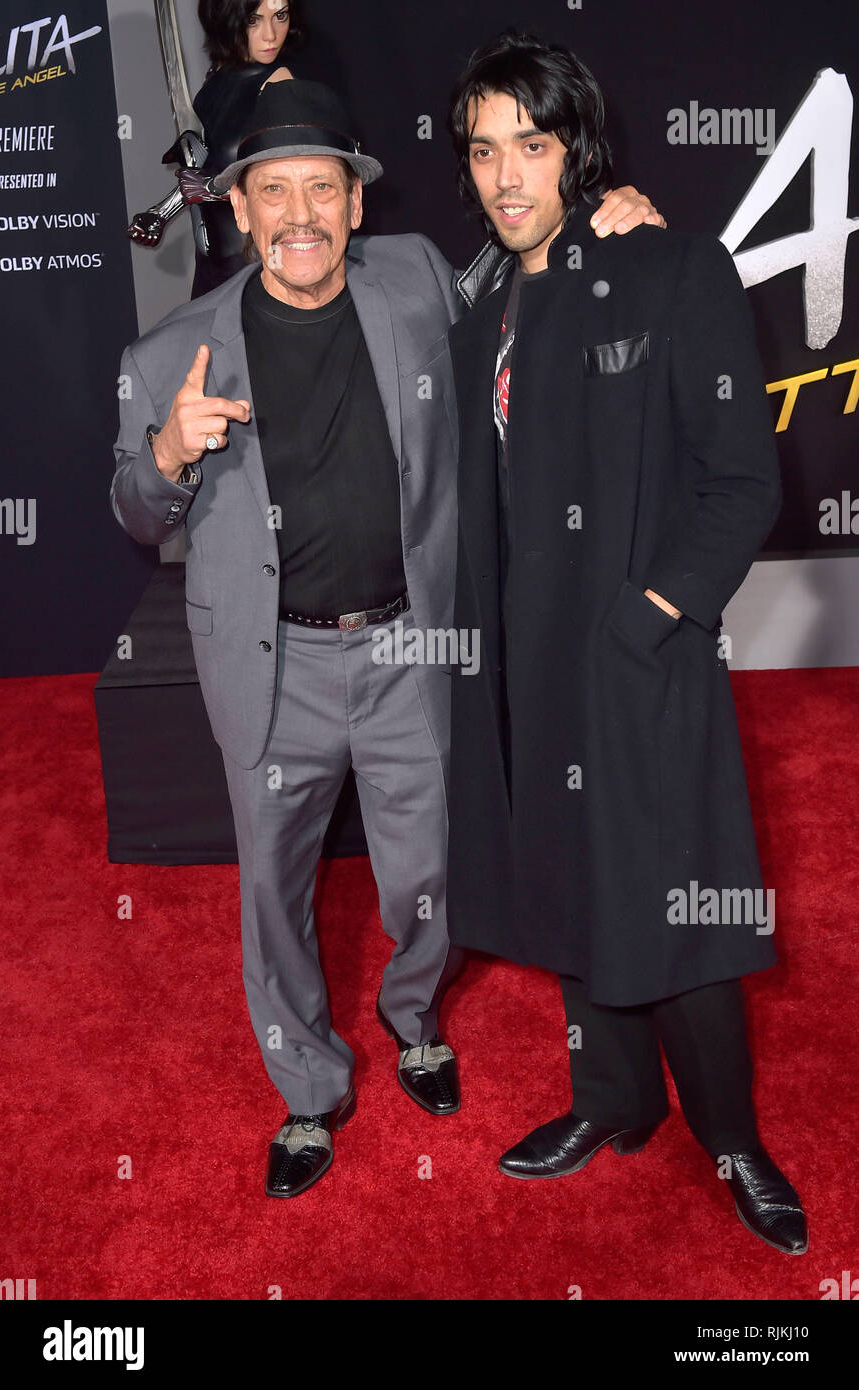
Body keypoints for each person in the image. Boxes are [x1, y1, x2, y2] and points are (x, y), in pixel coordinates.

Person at [111, 78, 662, 1198]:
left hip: (413, 644)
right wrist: (166, 452)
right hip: (276, 665)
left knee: (426, 872)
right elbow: (133, 509)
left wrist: (621, 230)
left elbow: (528, 299)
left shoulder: (412, 281)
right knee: (272, 889)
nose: (301, 214)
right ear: (236, 208)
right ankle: (308, 1091)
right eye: (275, 192)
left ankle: (413, 1021)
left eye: (324, 187)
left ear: (357, 208)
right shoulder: (171, 351)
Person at [444, 30, 807, 1256]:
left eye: (530, 148)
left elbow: (740, 483)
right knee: (567, 889)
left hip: (635, 651)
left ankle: (734, 1138)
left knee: (678, 907)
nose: (504, 179)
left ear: (575, 152)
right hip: (525, 659)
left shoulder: (667, 269)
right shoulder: (480, 290)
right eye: (484, 151)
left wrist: (652, 614)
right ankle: (611, 1100)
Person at [128, 0, 304, 298]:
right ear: (227, 19)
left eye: (280, 16)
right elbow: (208, 168)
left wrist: (210, 188)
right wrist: (160, 213)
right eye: (254, 19)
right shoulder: (219, 74)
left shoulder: (279, 83)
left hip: (259, 265)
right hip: (214, 263)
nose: (271, 35)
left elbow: (291, 183)